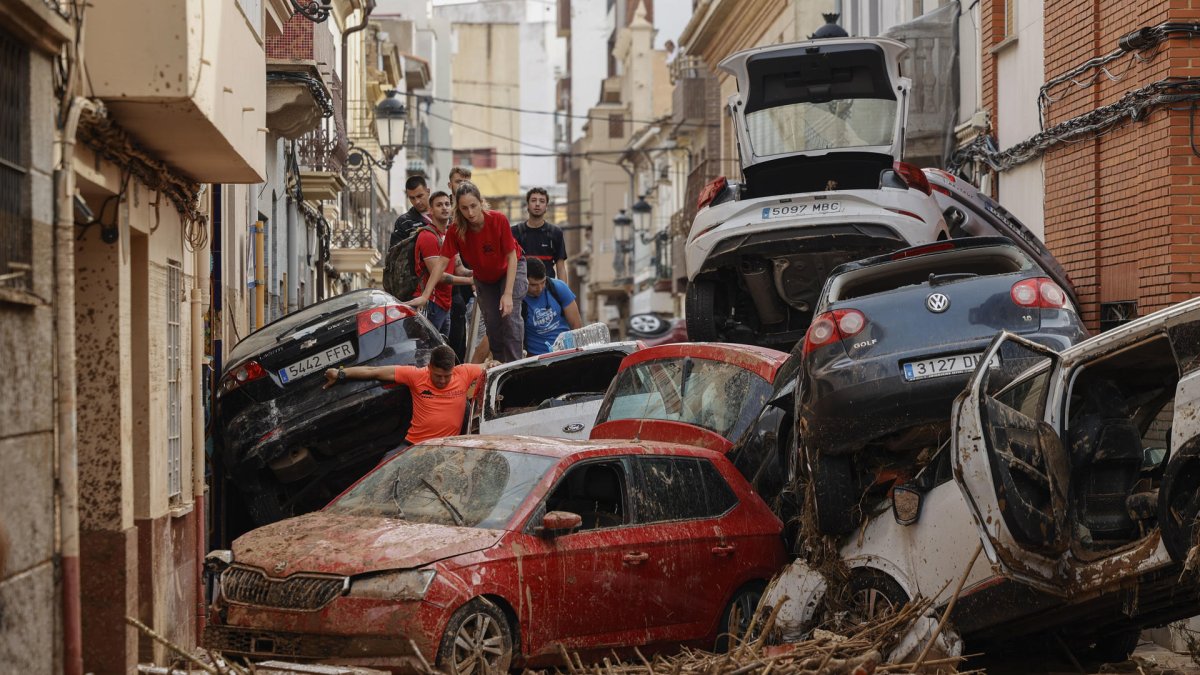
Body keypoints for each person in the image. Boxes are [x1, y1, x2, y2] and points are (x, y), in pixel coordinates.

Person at [409, 181, 528, 362]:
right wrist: (425, 296)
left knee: (509, 317)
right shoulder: (455, 230)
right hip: (484, 277)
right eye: (464, 208)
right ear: (459, 209)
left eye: (473, 206)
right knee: (493, 324)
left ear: (481, 202)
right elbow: (441, 263)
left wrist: (508, 293)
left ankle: (516, 364)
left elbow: (512, 257)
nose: (470, 213)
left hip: (511, 268)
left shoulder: (498, 219)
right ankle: (500, 363)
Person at [322, 345, 495, 460]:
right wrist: (341, 374)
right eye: (438, 376)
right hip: (414, 446)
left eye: (446, 376)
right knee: (384, 468)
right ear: (429, 368)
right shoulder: (416, 375)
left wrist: (494, 363)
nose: (442, 381)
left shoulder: (463, 373)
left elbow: (490, 366)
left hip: (446, 449)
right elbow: (374, 371)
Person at [414, 191, 473, 338]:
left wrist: (477, 273)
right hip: (430, 303)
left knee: (441, 353)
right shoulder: (428, 236)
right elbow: (439, 276)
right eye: (439, 205)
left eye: (447, 204)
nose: (444, 208)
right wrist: (470, 281)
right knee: (427, 351)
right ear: (430, 210)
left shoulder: (450, 235)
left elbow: (460, 269)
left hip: (445, 304)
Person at [522, 258, 582, 355]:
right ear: (523, 281)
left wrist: (576, 352)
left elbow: (576, 325)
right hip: (538, 358)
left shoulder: (559, 287)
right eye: (534, 285)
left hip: (566, 352)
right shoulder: (518, 300)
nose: (540, 288)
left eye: (543, 282)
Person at [512, 187, 568, 280]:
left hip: (547, 288)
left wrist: (563, 293)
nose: (537, 204)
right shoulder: (514, 232)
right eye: (533, 200)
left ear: (546, 207)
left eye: (542, 201)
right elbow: (509, 263)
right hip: (521, 290)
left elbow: (561, 267)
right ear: (527, 206)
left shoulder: (555, 233)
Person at [389, 175, 432, 249]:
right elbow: (394, 253)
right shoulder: (403, 222)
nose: (417, 201)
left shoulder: (443, 214)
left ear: (428, 192)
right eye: (412, 198)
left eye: (420, 196)